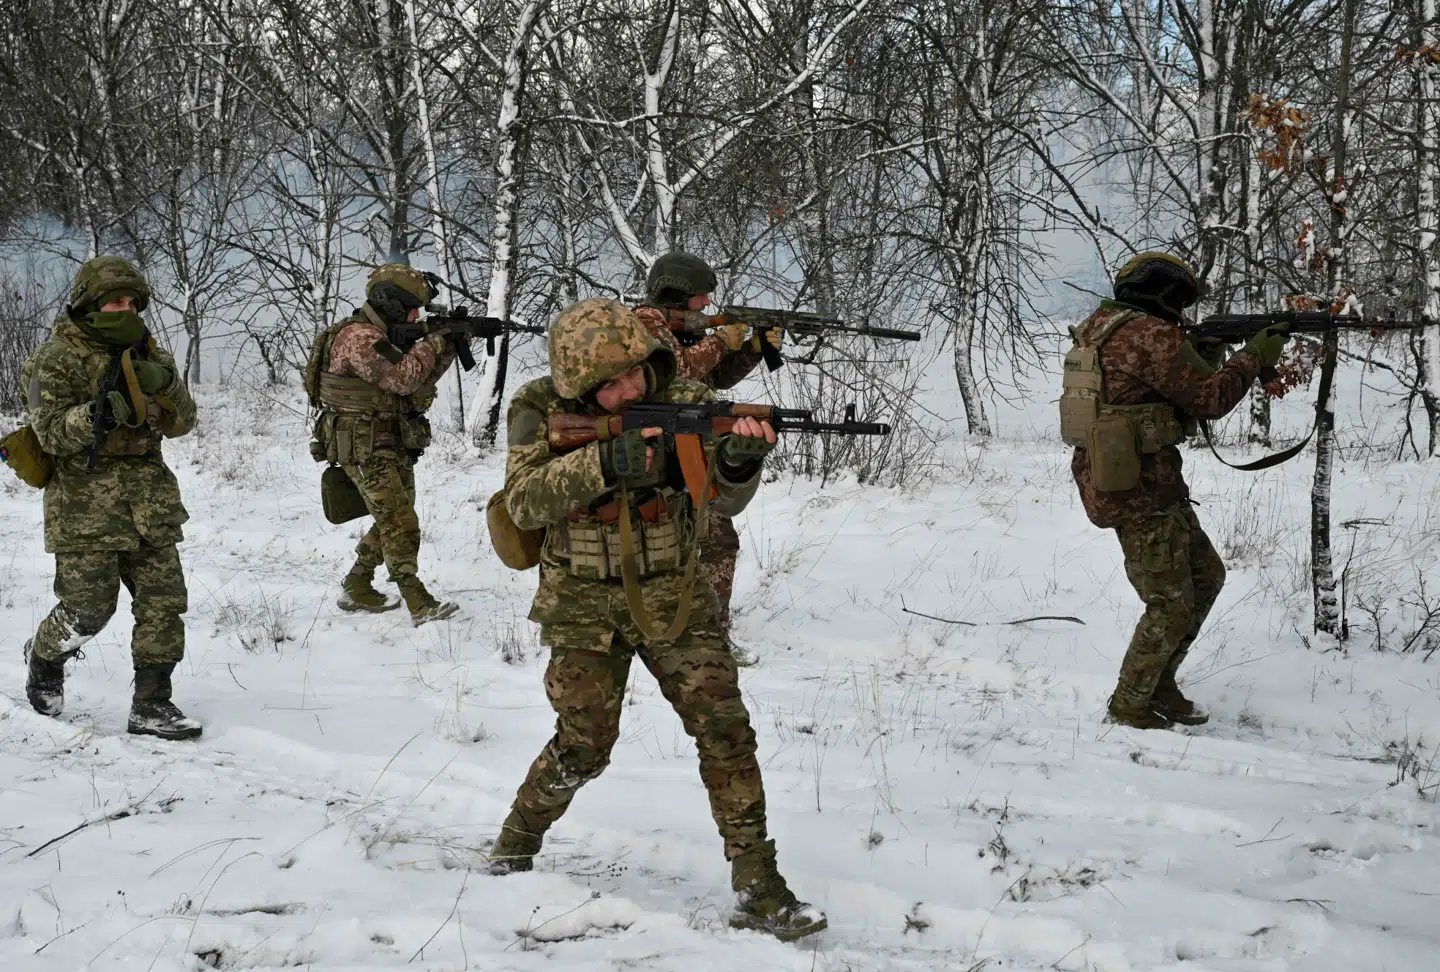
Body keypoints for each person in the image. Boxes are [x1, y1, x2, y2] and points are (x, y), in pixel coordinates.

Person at [487, 297, 826, 941]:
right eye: (607, 385)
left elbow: (721, 498)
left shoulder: (688, 396)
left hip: (674, 594)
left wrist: (738, 460)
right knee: (585, 745)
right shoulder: (538, 408)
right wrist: (605, 463)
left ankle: (758, 884)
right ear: (576, 383)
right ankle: (516, 839)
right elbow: (525, 501)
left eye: (635, 375)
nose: (627, 390)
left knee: (725, 726)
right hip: (582, 600)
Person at [1063, 252, 1289, 729]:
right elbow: (1210, 399)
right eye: (1178, 302)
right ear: (1161, 293)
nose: (1180, 314)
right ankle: (1130, 706)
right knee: (1170, 602)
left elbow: (1164, 394)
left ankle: (1158, 683)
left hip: (1141, 482)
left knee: (1206, 576)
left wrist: (1202, 352)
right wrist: (1254, 356)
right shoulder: (1146, 334)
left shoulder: (1102, 326)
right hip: (1139, 490)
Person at [20, 256, 202, 739]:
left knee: (164, 604)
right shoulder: (54, 358)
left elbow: (183, 423)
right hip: (85, 509)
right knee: (88, 610)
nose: (124, 310)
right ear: (89, 302)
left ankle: (152, 704)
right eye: (113, 302)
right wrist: (100, 413)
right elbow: (53, 435)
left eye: (131, 303)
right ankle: (44, 656)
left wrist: (165, 386)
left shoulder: (150, 353)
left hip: (150, 503)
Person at [631, 251, 782, 666]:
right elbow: (676, 372)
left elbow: (713, 378)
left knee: (716, 538)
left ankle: (711, 634)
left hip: (683, 447)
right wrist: (721, 339)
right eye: (700, 297)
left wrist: (751, 348)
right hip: (649, 453)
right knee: (699, 538)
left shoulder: (677, 327)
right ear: (676, 293)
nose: (706, 305)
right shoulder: (645, 323)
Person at [306, 264, 459, 626]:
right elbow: (404, 378)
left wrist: (450, 345)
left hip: (386, 439)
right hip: (362, 444)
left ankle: (358, 583)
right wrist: (435, 341)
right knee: (399, 520)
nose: (416, 316)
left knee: (395, 512)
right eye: (411, 309)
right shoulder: (359, 338)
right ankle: (416, 598)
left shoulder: (380, 334)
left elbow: (419, 377)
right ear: (390, 304)